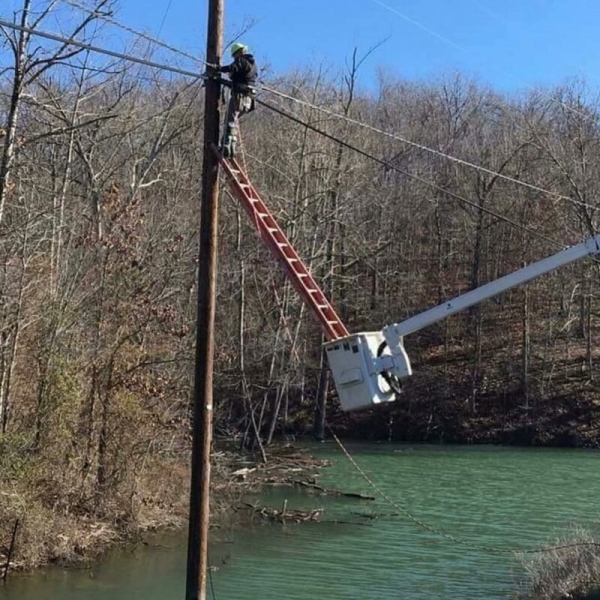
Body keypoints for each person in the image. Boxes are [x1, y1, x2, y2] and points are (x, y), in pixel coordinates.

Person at [218, 43, 258, 158]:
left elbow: (232, 68)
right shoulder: (252, 65)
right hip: (248, 100)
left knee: (229, 121)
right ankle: (231, 148)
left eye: (234, 56)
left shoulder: (241, 61)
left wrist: (219, 69)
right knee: (234, 122)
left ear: (238, 53)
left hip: (240, 97)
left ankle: (226, 147)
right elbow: (240, 81)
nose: (234, 58)